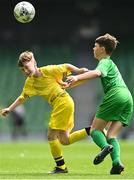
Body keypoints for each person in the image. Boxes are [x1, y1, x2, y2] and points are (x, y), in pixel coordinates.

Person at [1, 51, 91, 174]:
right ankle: (93, 130)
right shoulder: (30, 82)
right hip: (62, 104)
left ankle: (61, 167)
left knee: (51, 135)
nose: (25, 71)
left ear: (34, 63)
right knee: (65, 140)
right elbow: (23, 97)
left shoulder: (48, 70)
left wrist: (79, 71)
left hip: (62, 102)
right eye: (22, 70)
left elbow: (66, 66)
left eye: (26, 67)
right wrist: (10, 109)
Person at [62, 33, 133, 174]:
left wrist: (76, 77)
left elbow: (96, 73)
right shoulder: (110, 64)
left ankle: (104, 147)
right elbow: (93, 74)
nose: (93, 49)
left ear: (102, 48)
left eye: (95, 46)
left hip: (115, 95)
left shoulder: (105, 61)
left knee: (95, 131)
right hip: (127, 98)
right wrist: (76, 81)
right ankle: (116, 163)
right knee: (111, 135)